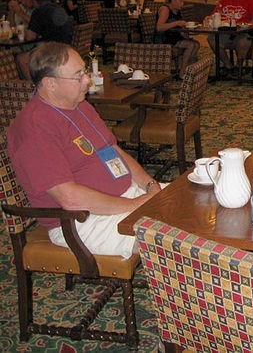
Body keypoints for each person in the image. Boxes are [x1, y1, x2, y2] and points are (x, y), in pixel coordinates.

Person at [7, 42, 162, 259]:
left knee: (193, 202)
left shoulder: (80, 105)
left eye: (85, 71)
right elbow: (69, 199)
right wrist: (135, 205)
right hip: (82, 221)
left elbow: (115, 151)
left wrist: (150, 186)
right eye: (78, 75)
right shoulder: (34, 129)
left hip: (125, 197)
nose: (88, 80)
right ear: (49, 84)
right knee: (176, 238)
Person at [207, 0, 253, 75]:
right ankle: (229, 65)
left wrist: (247, 25)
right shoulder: (224, 0)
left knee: (241, 42)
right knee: (212, 39)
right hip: (226, 32)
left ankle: (239, 66)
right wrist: (209, 19)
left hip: (243, 33)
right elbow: (214, 14)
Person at [155, 0, 200, 79]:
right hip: (164, 38)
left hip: (174, 36)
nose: (182, 4)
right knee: (191, 45)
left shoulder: (177, 10)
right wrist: (176, 23)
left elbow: (178, 27)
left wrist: (184, 32)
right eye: (180, 1)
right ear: (173, 0)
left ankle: (185, 68)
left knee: (196, 44)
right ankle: (182, 72)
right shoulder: (165, 9)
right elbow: (159, 27)